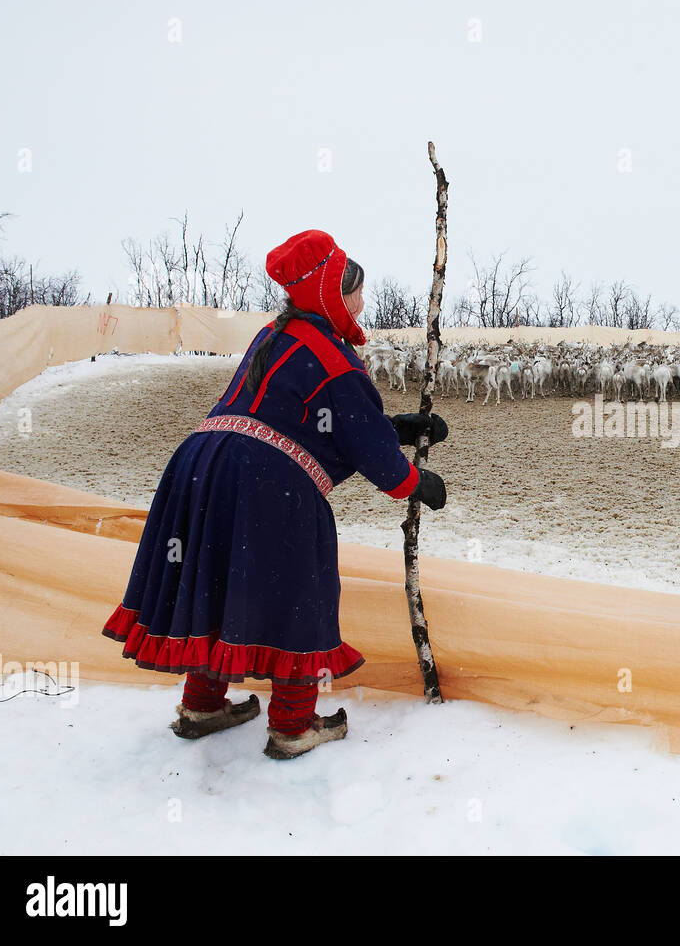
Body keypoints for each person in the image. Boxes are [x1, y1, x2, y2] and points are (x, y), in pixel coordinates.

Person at [102, 229, 448, 759]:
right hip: (267, 480)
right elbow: (366, 447)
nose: (361, 303)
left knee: (213, 578)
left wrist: (393, 427)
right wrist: (414, 482)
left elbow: (300, 413)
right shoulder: (334, 356)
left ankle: (202, 704)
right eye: (355, 292)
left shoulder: (274, 336)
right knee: (297, 590)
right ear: (332, 292)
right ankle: (293, 724)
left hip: (203, 463)